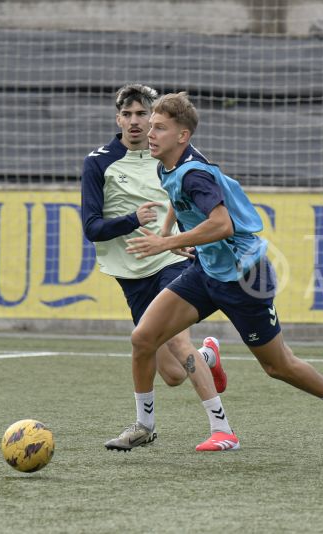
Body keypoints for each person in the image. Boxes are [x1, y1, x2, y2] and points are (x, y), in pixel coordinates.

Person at [123, 91, 323, 453]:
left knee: (278, 366)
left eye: (159, 127)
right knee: (144, 338)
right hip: (207, 271)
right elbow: (178, 196)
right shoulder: (168, 164)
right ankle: (145, 426)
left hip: (244, 278)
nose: (149, 133)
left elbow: (221, 224)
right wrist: (169, 229)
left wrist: (167, 242)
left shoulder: (195, 175)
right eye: (151, 126)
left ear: (183, 136)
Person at [81, 84, 229, 451]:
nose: (135, 121)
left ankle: (220, 428)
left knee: (178, 341)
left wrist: (185, 238)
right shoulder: (98, 162)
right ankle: (208, 355)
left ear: (153, 119)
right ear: (118, 119)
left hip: (171, 260)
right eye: (127, 114)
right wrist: (132, 219)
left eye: (142, 114)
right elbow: (92, 228)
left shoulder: (170, 153)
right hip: (131, 274)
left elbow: (204, 198)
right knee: (173, 373)